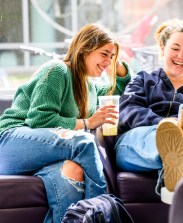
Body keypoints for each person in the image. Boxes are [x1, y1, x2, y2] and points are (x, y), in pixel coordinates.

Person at [0, 24, 132, 223]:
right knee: (84, 141)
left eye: (111, 57)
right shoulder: (57, 70)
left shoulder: (90, 86)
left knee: (73, 172)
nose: (107, 62)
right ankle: (102, 211)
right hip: (12, 143)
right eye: (104, 54)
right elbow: (40, 119)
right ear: (85, 49)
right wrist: (88, 122)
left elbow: (116, 90)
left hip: (46, 156)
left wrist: (116, 61)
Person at [115, 19, 183, 192]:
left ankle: (181, 165)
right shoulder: (144, 79)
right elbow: (128, 110)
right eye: (175, 48)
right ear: (163, 48)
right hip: (139, 143)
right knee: (164, 135)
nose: (181, 56)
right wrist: (168, 125)